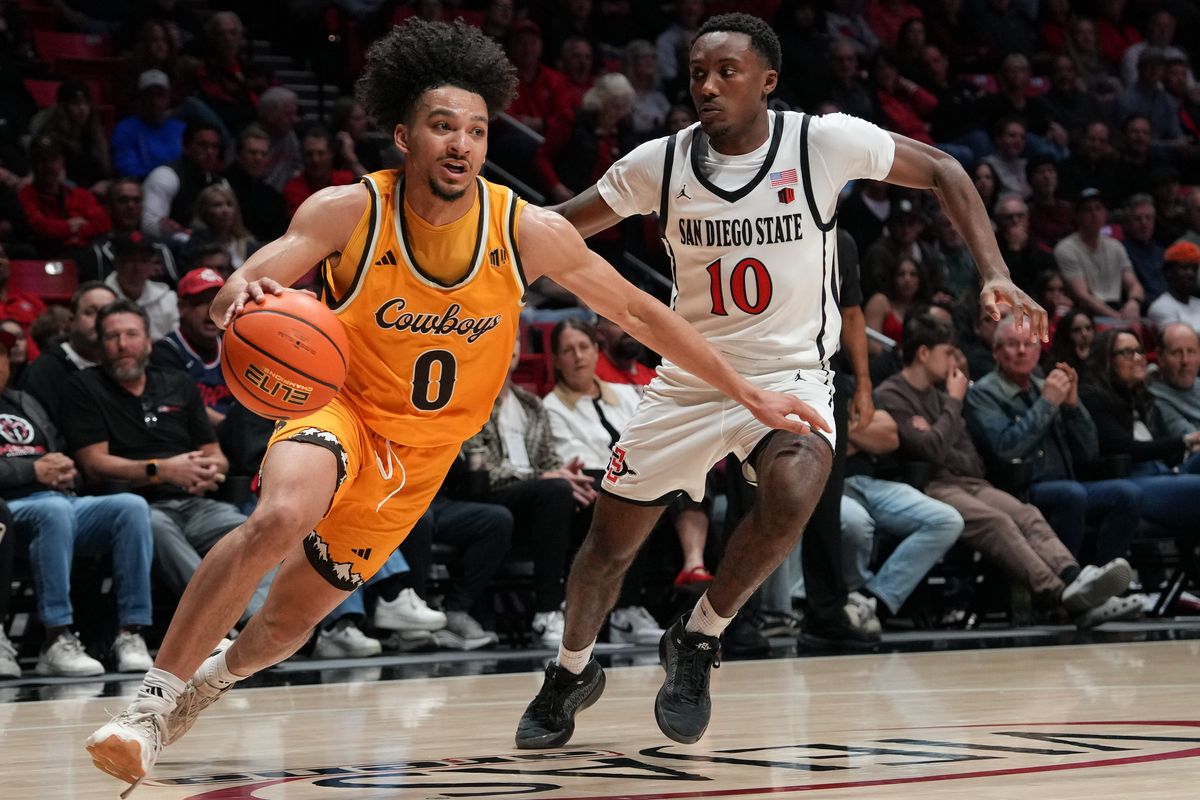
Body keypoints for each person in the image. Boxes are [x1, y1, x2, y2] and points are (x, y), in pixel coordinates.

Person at [84, 19, 819, 790]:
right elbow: (255, 274)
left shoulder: (523, 228)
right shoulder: (351, 211)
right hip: (342, 411)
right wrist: (244, 294)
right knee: (280, 516)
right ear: (405, 135)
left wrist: (745, 389)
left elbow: (640, 311)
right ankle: (148, 708)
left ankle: (209, 683)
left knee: (286, 624)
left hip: (420, 460)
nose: (462, 143)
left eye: (475, 129)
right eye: (443, 127)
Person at [514, 13, 1045, 751]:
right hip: (690, 378)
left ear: (767, 80)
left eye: (726, 72)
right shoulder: (658, 164)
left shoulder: (819, 142)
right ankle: (571, 671)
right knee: (609, 544)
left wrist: (995, 270)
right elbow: (558, 229)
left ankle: (699, 638)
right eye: (698, 73)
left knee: (798, 485)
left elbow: (946, 169)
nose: (707, 86)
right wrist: (481, 249)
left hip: (790, 371)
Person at [876, 314, 1137, 626]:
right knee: (997, 521)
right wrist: (951, 410)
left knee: (1027, 515)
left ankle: (1076, 577)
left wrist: (936, 433)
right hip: (932, 486)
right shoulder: (894, 394)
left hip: (972, 481)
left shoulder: (941, 396)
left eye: (1029, 344)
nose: (954, 362)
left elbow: (970, 459)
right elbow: (933, 452)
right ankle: (1058, 594)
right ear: (923, 353)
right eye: (948, 353)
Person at [61, 300, 260, 627]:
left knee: (257, 532)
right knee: (154, 527)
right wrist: (162, 470)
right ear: (100, 345)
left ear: (148, 341)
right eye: (112, 337)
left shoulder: (177, 383)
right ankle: (228, 623)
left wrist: (209, 471)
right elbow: (94, 464)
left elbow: (215, 454)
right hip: (136, 506)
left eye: (131, 334)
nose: (123, 344)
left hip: (196, 502)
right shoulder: (84, 387)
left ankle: (255, 625)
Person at [0, 325, 158, 677]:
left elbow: (56, 448)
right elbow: (35, 466)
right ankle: (56, 638)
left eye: (2, 355)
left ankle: (131, 633)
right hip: (10, 509)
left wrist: (66, 468)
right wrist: (32, 471)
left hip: (57, 500)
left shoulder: (23, 402)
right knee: (53, 511)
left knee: (130, 508)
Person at [967, 316, 1140, 565]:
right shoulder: (983, 394)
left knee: (1127, 494)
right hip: (1020, 491)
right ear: (996, 351)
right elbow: (1005, 449)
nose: (1022, 351)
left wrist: (1072, 407)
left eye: (1029, 344)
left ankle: (1102, 578)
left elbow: (1089, 452)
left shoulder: (1046, 386)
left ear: (1039, 351)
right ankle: (1064, 588)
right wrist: (1047, 404)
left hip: (1068, 484)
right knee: (1071, 495)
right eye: (1012, 344)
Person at [840, 407, 963, 625]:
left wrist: (838, 430)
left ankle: (874, 599)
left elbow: (889, 436)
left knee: (947, 520)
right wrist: (860, 432)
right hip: (821, 484)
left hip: (869, 482)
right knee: (855, 521)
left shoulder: (855, 382)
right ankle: (845, 599)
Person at [1080, 329, 1200, 530]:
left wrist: (1189, 449)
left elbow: (1167, 454)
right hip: (1132, 481)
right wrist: (1186, 440)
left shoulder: (1142, 398)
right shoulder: (1092, 397)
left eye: (1139, 351)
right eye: (1127, 352)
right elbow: (1124, 447)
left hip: (1165, 472)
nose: (1138, 358)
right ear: (1106, 360)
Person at [19, 282, 117, 426]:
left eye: (107, 312)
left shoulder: (124, 364)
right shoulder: (45, 370)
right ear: (72, 321)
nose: (99, 320)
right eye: (90, 312)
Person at [150, 268, 232, 427]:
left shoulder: (234, 344)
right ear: (181, 307)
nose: (211, 311)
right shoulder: (165, 351)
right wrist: (236, 429)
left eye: (218, 302)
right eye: (202, 302)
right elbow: (185, 406)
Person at [1054, 188, 1144, 324]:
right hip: (1088, 314)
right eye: (1088, 210)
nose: (1094, 214)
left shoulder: (1116, 246)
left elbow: (1133, 284)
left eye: (1098, 208)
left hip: (1117, 307)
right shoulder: (1066, 248)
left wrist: (1133, 303)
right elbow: (1082, 296)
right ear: (1078, 216)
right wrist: (1117, 318)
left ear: (1106, 214)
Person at [18, 136, 112, 259]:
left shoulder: (79, 195)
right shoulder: (25, 195)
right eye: (41, 160)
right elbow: (40, 227)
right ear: (32, 163)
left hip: (81, 259)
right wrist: (69, 227)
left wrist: (72, 236)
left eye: (53, 159)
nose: (48, 166)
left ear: (62, 161)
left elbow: (103, 223)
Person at [87, 179, 180, 288]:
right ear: (109, 207)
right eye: (123, 200)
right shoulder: (98, 251)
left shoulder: (159, 248)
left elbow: (175, 290)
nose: (131, 206)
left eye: (137, 200)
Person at [141, 122, 224, 241]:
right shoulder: (165, 175)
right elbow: (150, 224)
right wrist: (189, 239)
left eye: (214, 146)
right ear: (185, 146)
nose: (210, 152)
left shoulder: (219, 182)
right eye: (203, 145)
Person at [111, 70, 186, 181]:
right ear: (140, 99)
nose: (154, 101)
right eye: (149, 95)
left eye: (160, 95)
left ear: (168, 98)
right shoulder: (125, 129)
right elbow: (127, 169)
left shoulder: (181, 129)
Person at [104, 232, 179, 341]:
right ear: (117, 263)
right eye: (130, 260)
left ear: (153, 265)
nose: (137, 268)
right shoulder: (102, 299)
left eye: (143, 261)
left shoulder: (167, 299)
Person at [223, 125, 288, 243]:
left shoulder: (272, 195)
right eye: (253, 153)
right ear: (239, 155)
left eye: (263, 154)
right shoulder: (223, 186)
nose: (258, 158)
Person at [283, 128, 356, 218]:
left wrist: (352, 160)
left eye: (321, 153)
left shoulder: (346, 180)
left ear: (331, 154)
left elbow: (375, 194)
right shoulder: (293, 188)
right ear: (302, 156)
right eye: (309, 154)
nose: (315, 160)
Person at [184, 184, 259, 271]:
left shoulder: (249, 246)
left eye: (229, 204)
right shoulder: (194, 247)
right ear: (204, 211)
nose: (225, 210)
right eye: (217, 205)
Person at [1149, 322, 1200, 438]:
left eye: (1191, 351)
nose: (1185, 361)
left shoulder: (1198, 384)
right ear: (1159, 356)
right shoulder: (1154, 397)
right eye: (1176, 353)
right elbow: (1191, 439)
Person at [1146, 241, 1200, 332]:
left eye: (1194, 269)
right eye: (1184, 267)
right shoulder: (1161, 307)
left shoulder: (1198, 303)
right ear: (1168, 272)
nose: (1191, 273)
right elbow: (1180, 341)